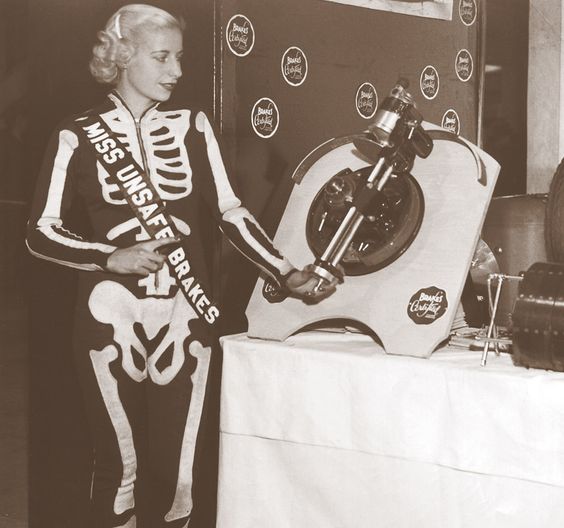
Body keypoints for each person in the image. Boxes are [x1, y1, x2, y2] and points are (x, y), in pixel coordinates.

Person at [26, 4, 338, 528]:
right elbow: (39, 230)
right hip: (110, 313)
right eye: (162, 57)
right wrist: (108, 254)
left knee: (181, 479)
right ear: (124, 56)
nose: (176, 71)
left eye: (180, 58)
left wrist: (283, 272)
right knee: (117, 471)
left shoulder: (194, 125)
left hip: (184, 312)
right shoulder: (76, 132)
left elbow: (230, 212)